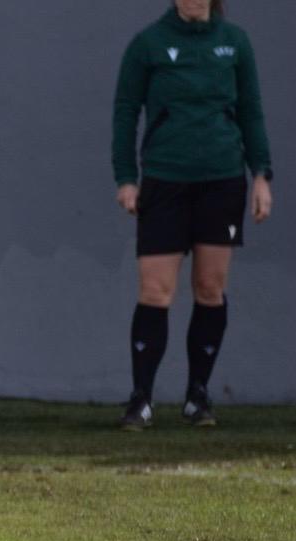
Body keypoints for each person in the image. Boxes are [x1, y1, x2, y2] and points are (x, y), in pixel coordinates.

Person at [112, 0, 273, 430]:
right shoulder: (148, 44)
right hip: (165, 181)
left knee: (210, 287)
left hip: (222, 180)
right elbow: (125, 111)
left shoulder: (235, 43)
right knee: (155, 289)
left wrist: (261, 174)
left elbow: (251, 110)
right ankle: (141, 398)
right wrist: (126, 177)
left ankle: (197, 395)